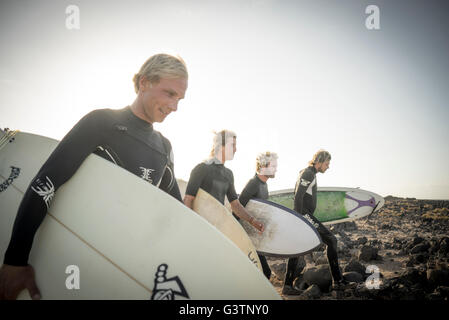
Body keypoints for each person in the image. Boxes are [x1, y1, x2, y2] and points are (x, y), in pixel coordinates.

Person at [0, 53, 188, 300]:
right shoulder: (102, 122)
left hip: (118, 270)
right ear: (144, 82)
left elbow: (175, 214)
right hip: (71, 260)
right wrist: (15, 260)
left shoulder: (164, 147)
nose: (174, 107)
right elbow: (46, 183)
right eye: (169, 93)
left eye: (180, 99)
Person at [282, 149, 347, 295]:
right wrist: (299, 219)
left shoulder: (309, 173)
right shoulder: (308, 173)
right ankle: (338, 281)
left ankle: (287, 285)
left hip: (304, 215)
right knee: (331, 240)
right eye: (327, 163)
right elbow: (298, 196)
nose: (328, 166)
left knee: (297, 248)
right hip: (303, 215)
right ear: (319, 161)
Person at [183, 130, 264, 233]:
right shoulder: (201, 169)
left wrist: (252, 221)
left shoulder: (228, 174)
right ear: (221, 146)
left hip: (217, 229)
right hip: (200, 227)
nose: (236, 149)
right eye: (232, 145)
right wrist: (189, 227)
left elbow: (235, 205)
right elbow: (188, 199)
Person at [239, 151, 278, 279]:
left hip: (255, 237)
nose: (276, 169)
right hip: (246, 238)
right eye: (273, 166)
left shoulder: (264, 185)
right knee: (264, 273)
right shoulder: (253, 183)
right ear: (263, 166)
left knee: (265, 273)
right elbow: (238, 208)